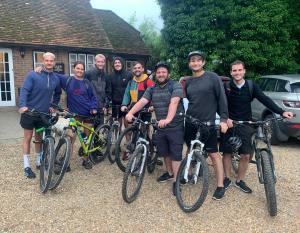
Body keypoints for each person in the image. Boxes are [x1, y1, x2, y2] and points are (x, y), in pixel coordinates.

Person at [220, 60, 294, 193]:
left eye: (239, 70)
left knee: (246, 155)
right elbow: (220, 104)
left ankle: (240, 180)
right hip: (230, 123)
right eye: (234, 70)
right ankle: (227, 178)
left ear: (244, 71)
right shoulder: (226, 86)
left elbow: (264, 99)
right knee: (227, 152)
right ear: (231, 72)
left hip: (245, 122)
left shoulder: (251, 86)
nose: (237, 73)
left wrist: (281, 111)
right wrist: (225, 119)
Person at [126, 61, 184, 195]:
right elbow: (142, 101)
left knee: (175, 154)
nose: (161, 74)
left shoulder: (175, 85)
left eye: (164, 72)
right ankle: (169, 173)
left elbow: (174, 102)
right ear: (155, 74)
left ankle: (176, 181)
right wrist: (130, 113)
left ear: (168, 73)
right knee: (164, 152)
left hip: (175, 125)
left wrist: (168, 119)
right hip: (160, 125)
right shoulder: (152, 88)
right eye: (159, 72)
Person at [180, 51, 229, 200]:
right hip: (191, 121)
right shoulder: (187, 82)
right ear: (189, 64)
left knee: (214, 154)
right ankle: (187, 174)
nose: (195, 63)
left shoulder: (213, 77)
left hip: (208, 123)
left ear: (203, 62)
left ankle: (220, 185)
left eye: (198, 60)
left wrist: (223, 119)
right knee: (189, 148)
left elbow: (222, 99)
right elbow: (185, 101)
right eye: (192, 61)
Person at [19, 52, 61, 178]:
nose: (49, 62)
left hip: (43, 114)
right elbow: (24, 90)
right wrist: (22, 105)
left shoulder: (56, 78)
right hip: (29, 112)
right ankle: (26, 166)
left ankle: (38, 161)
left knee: (39, 137)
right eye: (46, 60)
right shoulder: (33, 74)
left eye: (51, 61)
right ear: (43, 61)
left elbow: (58, 93)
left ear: (54, 62)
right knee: (27, 137)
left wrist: (53, 105)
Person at [60, 61, 98, 170]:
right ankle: (66, 163)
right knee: (70, 138)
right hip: (74, 115)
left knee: (87, 139)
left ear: (84, 70)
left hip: (88, 114)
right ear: (73, 69)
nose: (80, 70)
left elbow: (93, 97)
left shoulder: (87, 83)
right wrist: (41, 69)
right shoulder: (68, 80)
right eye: (78, 68)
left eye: (82, 69)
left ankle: (86, 159)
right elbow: (54, 75)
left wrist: (94, 108)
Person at [85, 54, 111, 126]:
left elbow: (108, 92)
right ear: (95, 62)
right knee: (88, 129)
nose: (100, 64)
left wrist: (106, 105)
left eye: (102, 62)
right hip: (89, 107)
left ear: (104, 63)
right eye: (98, 62)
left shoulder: (106, 76)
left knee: (98, 130)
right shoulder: (88, 73)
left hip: (101, 108)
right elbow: (84, 90)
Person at [109, 56, 132, 130]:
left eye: (119, 62)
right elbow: (109, 90)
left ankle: (128, 141)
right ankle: (117, 140)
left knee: (127, 124)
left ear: (122, 64)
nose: (117, 64)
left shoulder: (129, 74)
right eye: (115, 63)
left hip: (126, 104)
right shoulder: (111, 75)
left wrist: (131, 102)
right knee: (117, 125)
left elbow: (132, 89)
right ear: (113, 64)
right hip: (115, 104)